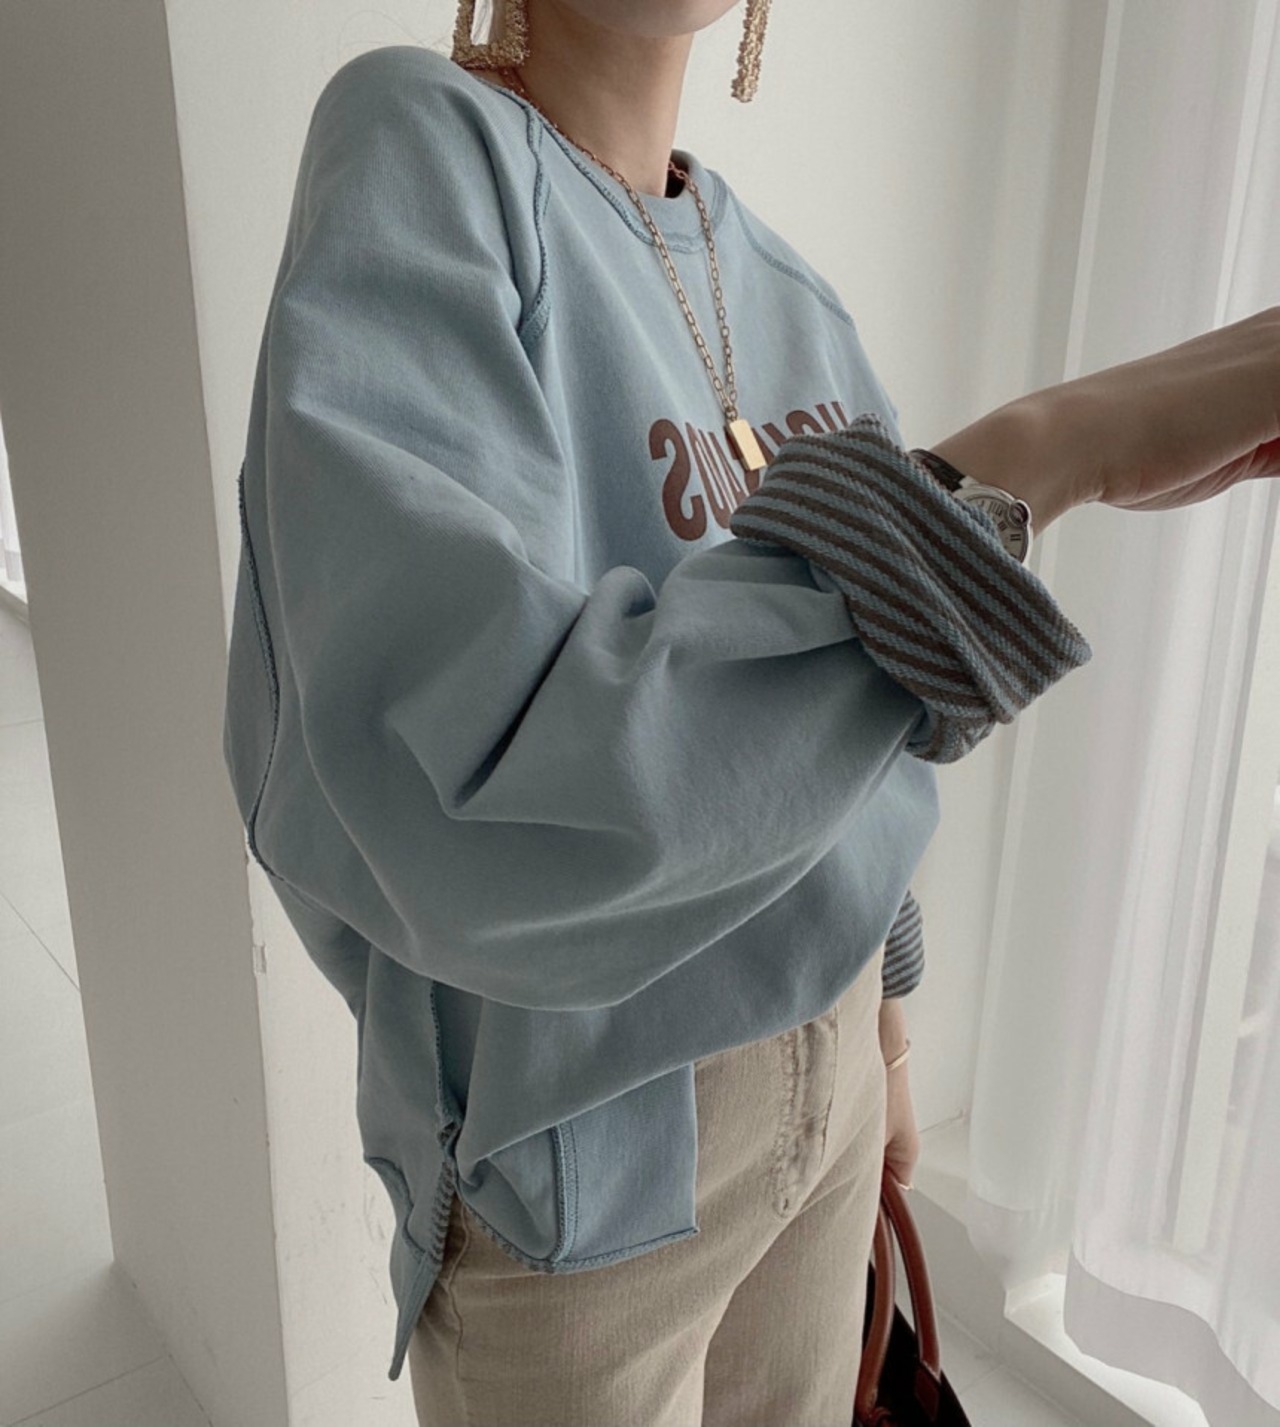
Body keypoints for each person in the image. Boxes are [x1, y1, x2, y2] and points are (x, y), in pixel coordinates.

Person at [220, 0, 1280, 1421]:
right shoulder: (422, 144)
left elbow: (856, 737)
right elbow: (480, 795)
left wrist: (884, 1023)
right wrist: (1047, 449)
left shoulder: (787, 289)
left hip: (833, 1077)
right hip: (594, 1149)